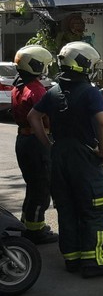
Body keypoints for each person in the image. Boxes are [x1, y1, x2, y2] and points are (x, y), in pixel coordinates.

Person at [28, 41, 103, 278]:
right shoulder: (90, 92)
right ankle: (95, 263)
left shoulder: (53, 91)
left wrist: (48, 145)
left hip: (59, 155)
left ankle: (72, 259)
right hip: (83, 155)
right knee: (94, 207)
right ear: (83, 65)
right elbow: (102, 122)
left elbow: (33, 117)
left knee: (66, 207)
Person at [11, 45, 58, 244]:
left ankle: (28, 222)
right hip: (36, 141)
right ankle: (36, 230)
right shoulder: (37, 90)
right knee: (41, 187)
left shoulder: (18, 86)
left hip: (23, 140)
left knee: (33, 185)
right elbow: (45, 118)